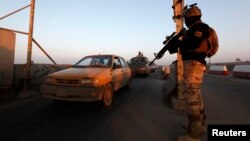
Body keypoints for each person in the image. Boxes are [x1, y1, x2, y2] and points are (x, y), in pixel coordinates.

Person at [174, 4, 218, 141]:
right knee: (197, 96)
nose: (185, 21)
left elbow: (192, 44)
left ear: (191, 17)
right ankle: (198, 125)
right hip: (195, 64)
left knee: (192, 98)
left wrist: (179, 44)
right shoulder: (197, 28)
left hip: (193, 64)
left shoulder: (199, 27)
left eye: (186, 18)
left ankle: (193, 135)